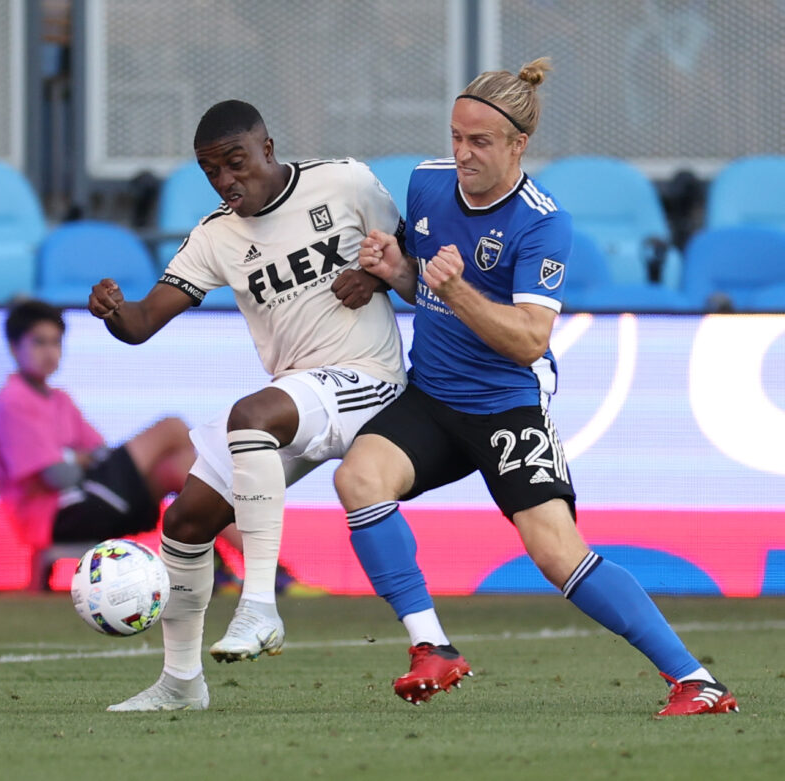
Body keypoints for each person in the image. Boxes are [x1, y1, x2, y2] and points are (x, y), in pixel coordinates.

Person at [333, 59, 739, 718]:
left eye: (480, 141)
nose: (462, 153)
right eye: (456, 136)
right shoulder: (427, 183)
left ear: (519, 144)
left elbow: (527, 339)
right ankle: (432, 646)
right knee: (358, 479)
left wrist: (456, 288)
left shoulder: (543, 222)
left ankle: (697, 681)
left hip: (506, 406)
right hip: (432, 396)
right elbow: (425, 288)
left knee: (556, 553)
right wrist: (398, 270)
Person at [88, 99, 406, 711]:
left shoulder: (345, 182)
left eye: (236, 163)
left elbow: (414, 257)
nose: (226, 181)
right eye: (212, 172)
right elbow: (143, 322)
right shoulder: (217, 235)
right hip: (298, 396)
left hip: (369, 378)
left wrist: (376, 276)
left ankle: (260, 605)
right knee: (185, 522)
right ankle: (181, 685)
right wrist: (114, 312)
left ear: (267, 148)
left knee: (251, 416)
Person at [0, 299, 195, 560]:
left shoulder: (60, 399)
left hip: (91, 498)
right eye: (39, 342)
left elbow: (99, 452)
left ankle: (232, 560)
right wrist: (77, 459)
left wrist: (72, 458)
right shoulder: (11, 401)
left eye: (56, 342)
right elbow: (58, 477)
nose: (50, 352)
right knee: (173, 427)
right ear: (14, 347)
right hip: (58, 517)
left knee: (180, 468)